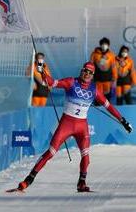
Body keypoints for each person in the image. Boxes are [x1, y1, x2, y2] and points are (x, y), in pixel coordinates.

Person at [12, 62, 132, 193]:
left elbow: (109, 106)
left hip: (82, 127)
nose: (87, 74)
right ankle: (28, 179)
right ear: (81, 71)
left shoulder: (94, 90)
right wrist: (42, 72)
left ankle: (81, 182)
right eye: (85, 71)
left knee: (86, 155)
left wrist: (123, 121)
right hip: (66, 124)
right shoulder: (71, 82)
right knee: (51, 152)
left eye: (90, 72)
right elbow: (52, 83)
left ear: (93, 75)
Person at [90, 37, 117, 102]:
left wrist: (115, 77)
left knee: (107, 98)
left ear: (108, 45)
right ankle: (97, 110)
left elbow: (114, 67)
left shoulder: (111, 55)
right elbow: (91, 66)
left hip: (107, 80)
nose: (104, 45)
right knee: (98, 97)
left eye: (106, 44)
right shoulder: (94, 54)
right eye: (103, 44)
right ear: (100, 44)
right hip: (97, 79)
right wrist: (90, 76)